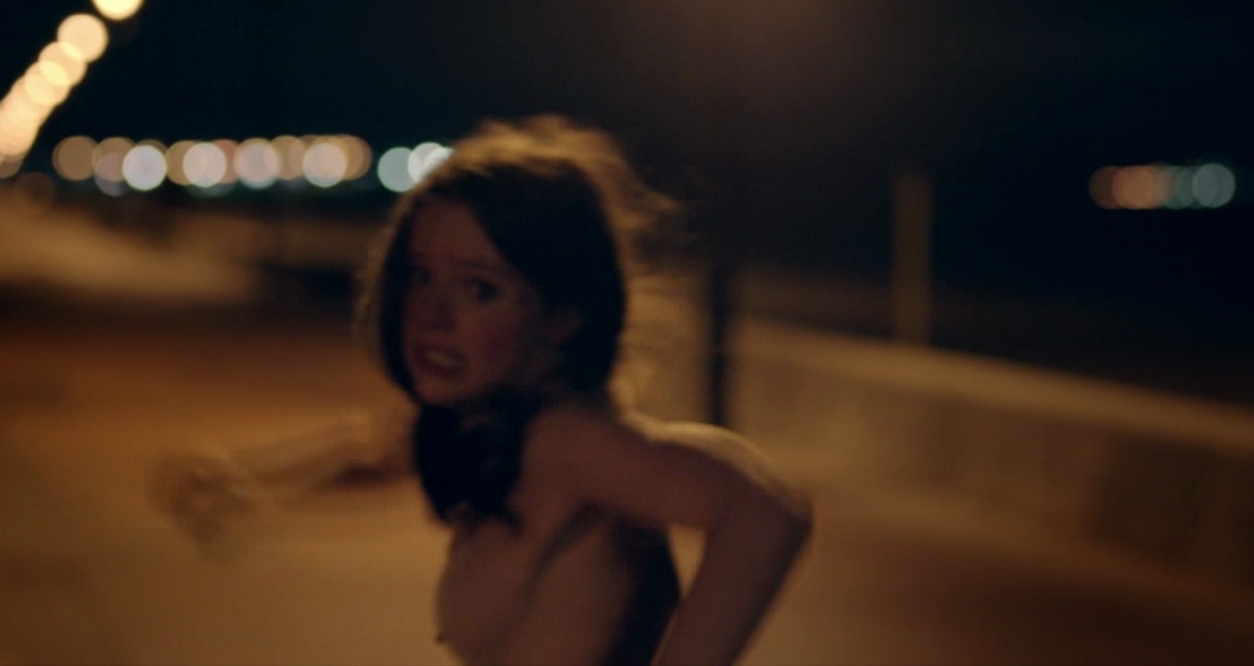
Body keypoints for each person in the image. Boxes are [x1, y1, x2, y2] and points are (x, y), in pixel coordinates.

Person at [149, 116, 814, 665]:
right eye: (420, 276)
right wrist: (247, 479)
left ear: (562, 315)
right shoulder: (497, 429)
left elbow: (765, 510)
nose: (431, 314)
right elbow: (376, 450)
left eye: (479, 289)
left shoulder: (571, 444)